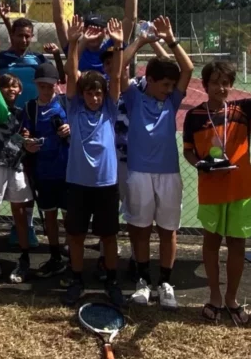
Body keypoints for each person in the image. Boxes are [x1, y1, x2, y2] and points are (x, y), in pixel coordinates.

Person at [182, 40, 251, 325]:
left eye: (226, 83)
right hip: (211, 188)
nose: (221, 88)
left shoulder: (242, 110)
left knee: (237, 244)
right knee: (212, 242)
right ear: (204, 85)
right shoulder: (194, 116)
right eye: (215, 82)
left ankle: (232, 298)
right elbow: (188, 151)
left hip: (241, 189)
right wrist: (200, 166)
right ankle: (214, 295)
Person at [120, 16, 193, 310]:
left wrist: (171, 39)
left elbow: (187, 68)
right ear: (148, 80)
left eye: (171, 85)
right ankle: (142, 281)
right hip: (138, 173)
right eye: (164, 84)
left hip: (169, 174)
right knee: (139, 228)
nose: (169, 88)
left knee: (167, 230)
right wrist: (140, 41)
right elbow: (117, 69)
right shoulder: (135, 98)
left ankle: (165, 282)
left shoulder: (172, 101)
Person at [61, 16, 124, 309]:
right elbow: (72, 76)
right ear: (83, 94)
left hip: (106, 185)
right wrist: (74, 42)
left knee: (108, 237)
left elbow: (117, 79)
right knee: (76, 236)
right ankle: (77, 279)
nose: (95, 96)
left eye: (98, 92)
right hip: (77, 185)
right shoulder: (73, 109)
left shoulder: (110, 110)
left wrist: (119, 44)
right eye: (90, 92)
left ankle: (112, 281)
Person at [0, 16, 62, 248]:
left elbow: (57, 78)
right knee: (12, 172)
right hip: (7, 125)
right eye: (19, 35)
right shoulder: (0, 58)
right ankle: (15, 224)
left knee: (30, 174)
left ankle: (28, 225)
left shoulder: (38, 58)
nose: (24, 39)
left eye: (27, 35)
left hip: (33, 123)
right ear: (11, 35)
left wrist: (55, 56)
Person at [0, 37, 36, 283]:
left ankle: (24, 258)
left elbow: (30, 139)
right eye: (6, 87)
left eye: (15, 87)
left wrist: (28, 138)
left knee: (20, 213)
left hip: (17, 165)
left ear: (20, 90)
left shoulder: (25, 113)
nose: (11, 90)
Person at [21, 62, 71, 278]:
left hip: (67, 169)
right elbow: (24, 135)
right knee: (49, 216)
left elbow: (80, 130)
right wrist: (26, 143)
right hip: (43, 171)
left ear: (56, 85)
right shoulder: (30, 108)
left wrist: (70, 129)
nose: (46, 90)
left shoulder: (66, 104)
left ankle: (71, 254)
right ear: (36, 85)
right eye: (42, 86)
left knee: (70, 216)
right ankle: (55, 256)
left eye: (50, 86)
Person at [52, 0, 138, 74]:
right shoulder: (74, 46)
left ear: (105, 32)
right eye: (90, 29)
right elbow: (59, 20)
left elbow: (130, 18)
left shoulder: (113, 45)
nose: (94, 35)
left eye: (97, 30)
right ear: (83, 30)